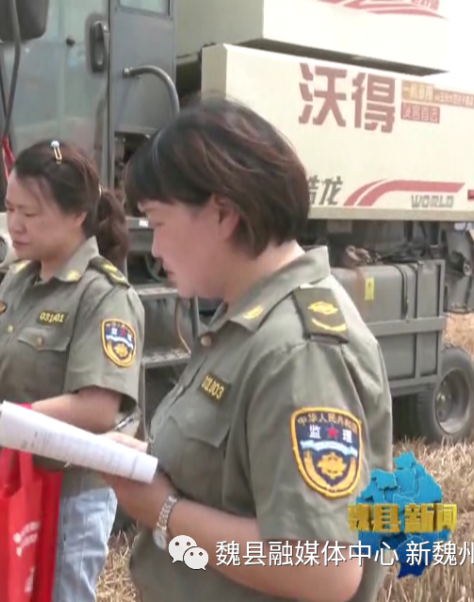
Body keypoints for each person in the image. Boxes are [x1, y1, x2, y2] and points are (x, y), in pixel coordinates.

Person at [102, 95, 393, 602]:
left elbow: (324, 568)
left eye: (160, 222)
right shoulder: (245, 324)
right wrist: (151, 463)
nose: (157, 246)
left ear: (223, 214)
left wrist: (166, 513)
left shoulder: (299, 349)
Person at [0, 139, 145, 601]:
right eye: (9, 208)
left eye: (30, 214)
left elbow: (97, 408)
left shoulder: (103, 296)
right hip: (8, 482)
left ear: (78, 214)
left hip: (67, 494)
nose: (14, 224)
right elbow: (4, 363)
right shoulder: (18, 280)